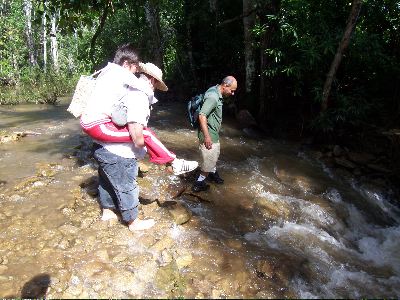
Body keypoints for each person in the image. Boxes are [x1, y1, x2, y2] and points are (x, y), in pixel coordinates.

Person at [80, 48, 198, 175]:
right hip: (97, 125)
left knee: (146, 135)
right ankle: (174, 162)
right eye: (134, 69)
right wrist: (148, 90)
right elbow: (138, 138)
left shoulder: (109, 72)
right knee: (146, 134)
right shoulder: (122, 75)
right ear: (125, 64)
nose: (135, 73)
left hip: (91, 122)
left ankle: (169, 161)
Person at [191, 76, 238, 192]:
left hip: (212, 133)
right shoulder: (213, 97)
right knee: (209, 161)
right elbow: (202, 115)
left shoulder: (215, 90)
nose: (232, 93)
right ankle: (199, 183)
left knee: (213, 156)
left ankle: (212, 173)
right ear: (225, 86)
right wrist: (207, 137)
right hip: (209, 135)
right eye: (231, 90)